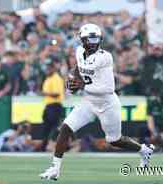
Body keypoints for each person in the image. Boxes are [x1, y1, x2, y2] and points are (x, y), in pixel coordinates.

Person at [39, 23, 154, 181]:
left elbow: (107, 88)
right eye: (90, 39)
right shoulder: (79, 51)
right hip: (89, 101)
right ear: (82, 40)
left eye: (96, 39)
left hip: (107, 102)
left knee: (114, 140)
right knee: (65, 128)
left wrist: (82, 85)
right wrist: (71, 80)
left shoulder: (105, 57)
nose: (93, 42)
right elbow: (78, 69)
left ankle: (143, 150)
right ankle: (55, 168)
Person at [39, 59, 65, 152]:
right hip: (48, 106)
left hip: (55, 106)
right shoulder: (48, 78)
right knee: (46, 128)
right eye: (47, 67)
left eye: (50, 67)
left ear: (53, 68)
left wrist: (44, 93)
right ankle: (44, 147)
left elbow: (57, 94)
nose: (48, 69)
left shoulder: (56, 78)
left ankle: (52, 145)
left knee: (54, 127)